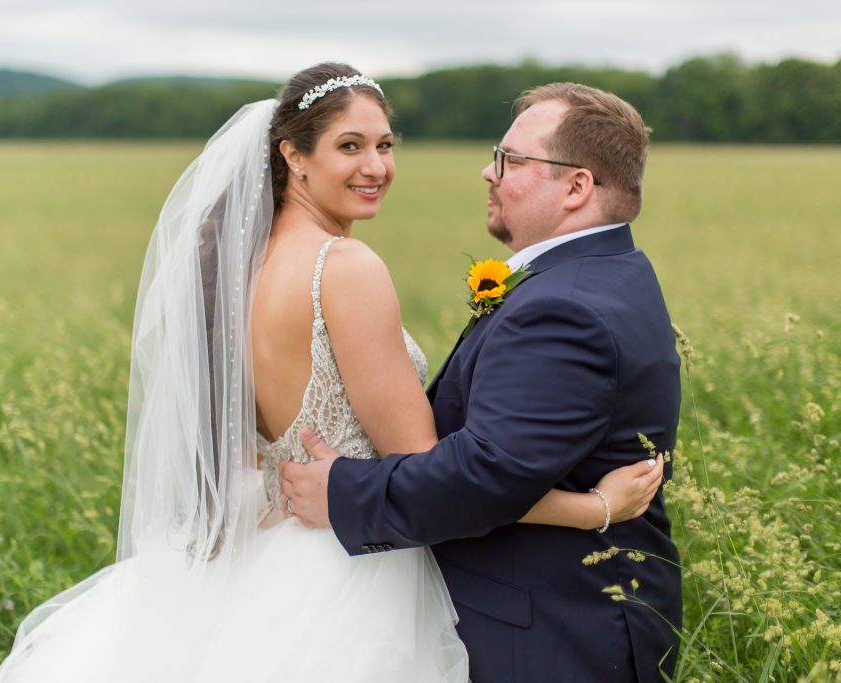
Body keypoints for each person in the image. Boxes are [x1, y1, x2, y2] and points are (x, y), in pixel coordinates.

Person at [0, 66, 663, 683]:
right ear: (292, 156)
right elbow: (429, 464)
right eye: (350, 146)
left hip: (262, 556)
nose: (376, 166)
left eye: (386, 145)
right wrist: (592, 508)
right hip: (351, 574)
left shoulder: (237, 269)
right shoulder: (345, 268)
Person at [282, 82, 682, 682]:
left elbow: (486, 473)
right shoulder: (604, 272)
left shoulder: (566, 307)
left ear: (576, 187)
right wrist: (591, 506)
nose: (487, 173)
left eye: (511, 160)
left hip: (553, 634)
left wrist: (343, 491)